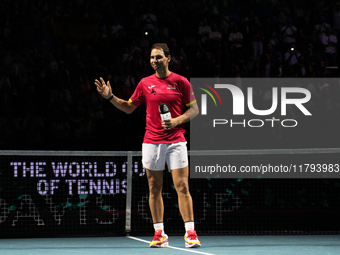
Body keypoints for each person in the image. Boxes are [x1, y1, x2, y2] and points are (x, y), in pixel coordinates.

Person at [94, 43, 200, 248]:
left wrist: (177, 121)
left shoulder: (181, 82)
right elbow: (128, 107)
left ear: (168, 58)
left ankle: (190, 233)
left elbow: (194, 110)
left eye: (159, 57)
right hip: (152, 142)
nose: (154, 61)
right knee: (154, 188)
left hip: (176, 141)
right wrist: (109, 97)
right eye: (152, 58)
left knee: (183, 186)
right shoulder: (144, 83)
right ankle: (159, 233)